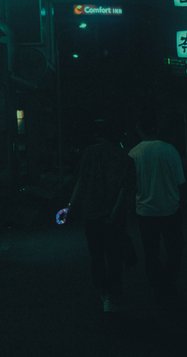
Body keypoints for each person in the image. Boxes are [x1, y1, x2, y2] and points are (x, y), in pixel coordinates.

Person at [68, 116, 136, 313]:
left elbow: (80, 182)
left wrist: (70, 207)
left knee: (96, 254)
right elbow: (125, 190)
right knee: (114, 255)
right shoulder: (125, 158)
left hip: (92, 213)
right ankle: (114, 293)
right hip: (115, 216)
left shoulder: (89, 154)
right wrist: (115, 212)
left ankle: (103, 292)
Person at [128, 108, 186, 302]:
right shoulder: (170, 150)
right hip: (170, 208)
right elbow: (180, 181)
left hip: (146, 210)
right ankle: (169, 282)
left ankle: (156, 284)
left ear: (139, 129)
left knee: (151, 251)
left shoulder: (134, 153)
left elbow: (131, 184)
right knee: (174, 249)